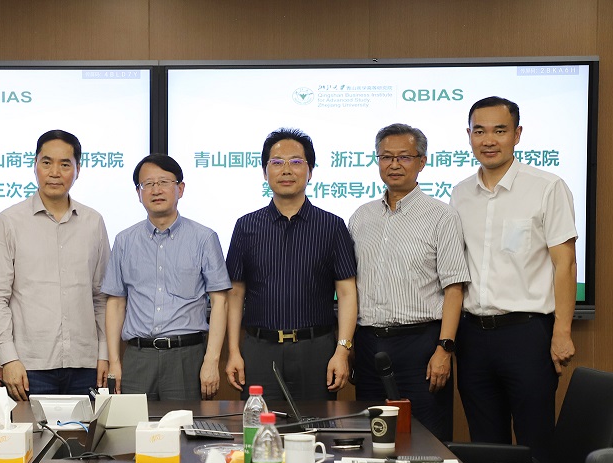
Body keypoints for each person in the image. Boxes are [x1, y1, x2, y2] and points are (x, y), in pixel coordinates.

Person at [451, 96, 577, 458]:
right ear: (469, 136)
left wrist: (562, 331)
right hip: (473, 336)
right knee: (486, 446)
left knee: (535, 443)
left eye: (500, 131)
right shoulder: (460, 193)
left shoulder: (547, 187)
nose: (488, 140)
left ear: (517, 135)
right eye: (479, 131)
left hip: (527, 335)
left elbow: (565, 264)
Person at [348, 124, 469, 441]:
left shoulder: (441, 216)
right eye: (386, 157)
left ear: (422, 161)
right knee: (373, 439)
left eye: (404, 157)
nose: (394, 164)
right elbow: (349, 288)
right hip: (368, 345)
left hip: (421, 347)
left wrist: (444, 348)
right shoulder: (360, 217)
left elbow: (454, 288)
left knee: (427, 440)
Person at [225, 128, 357, 403]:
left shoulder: (332, 226)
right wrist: (234, 351)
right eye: (277, 162)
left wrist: (342, 351)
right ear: (265, 172)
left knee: (316, 426)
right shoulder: (246, 226)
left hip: (316, 350)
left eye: (296, 162)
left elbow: (346, 293)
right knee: (260, 425)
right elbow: (235, 294)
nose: (286, 170)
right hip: (260, 351)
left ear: (310, 171)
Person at [0, 130, 110, 400]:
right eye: (47, 162)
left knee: (86, 430)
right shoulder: (9, 221)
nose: (55, 173)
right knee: (29, 429)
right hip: (28, 365)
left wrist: (104, 354)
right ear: (35, 165)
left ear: (78, 170)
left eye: (65, 164)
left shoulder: (93, 222)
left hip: (85, 364)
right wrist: (8, 357)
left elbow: (100, 297)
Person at [102, 153, 230, 400]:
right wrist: (114, 362)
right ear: (138, 193)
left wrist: (211, 360)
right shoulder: (124, 241)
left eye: (164, 182)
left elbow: (220, 302)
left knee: (186, 424)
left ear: (180, 189)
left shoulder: (204, 238)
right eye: (148, 184)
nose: (156, 190)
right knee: (133, 424)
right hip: (138, 357)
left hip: (186, 357)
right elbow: (116, 303)